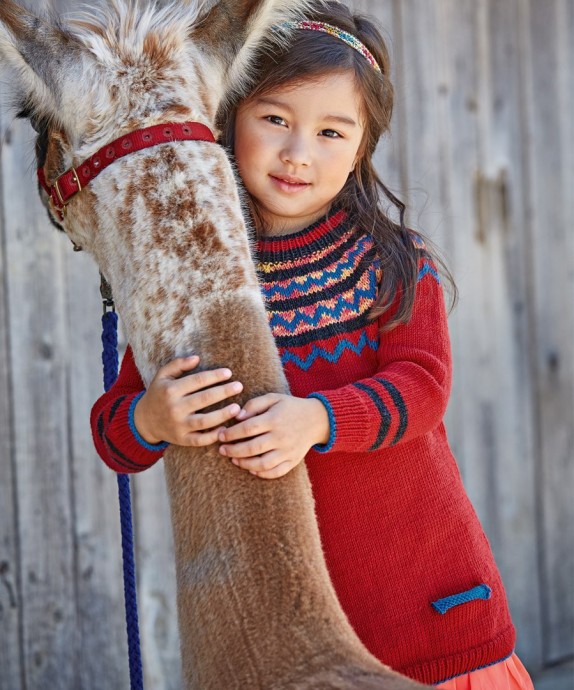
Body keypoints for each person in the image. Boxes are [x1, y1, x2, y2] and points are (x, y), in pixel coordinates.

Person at [91, 2, 535, 687]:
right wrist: (153, 418)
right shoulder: (196, 280)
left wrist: (318, 419)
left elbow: (423, 387)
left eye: (332, 131)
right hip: (296, 645)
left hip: (434, 611)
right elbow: (115, 433)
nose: (300, 153)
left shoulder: (385, 261)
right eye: (276, 119)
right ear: (230, 116)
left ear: (361, 147)